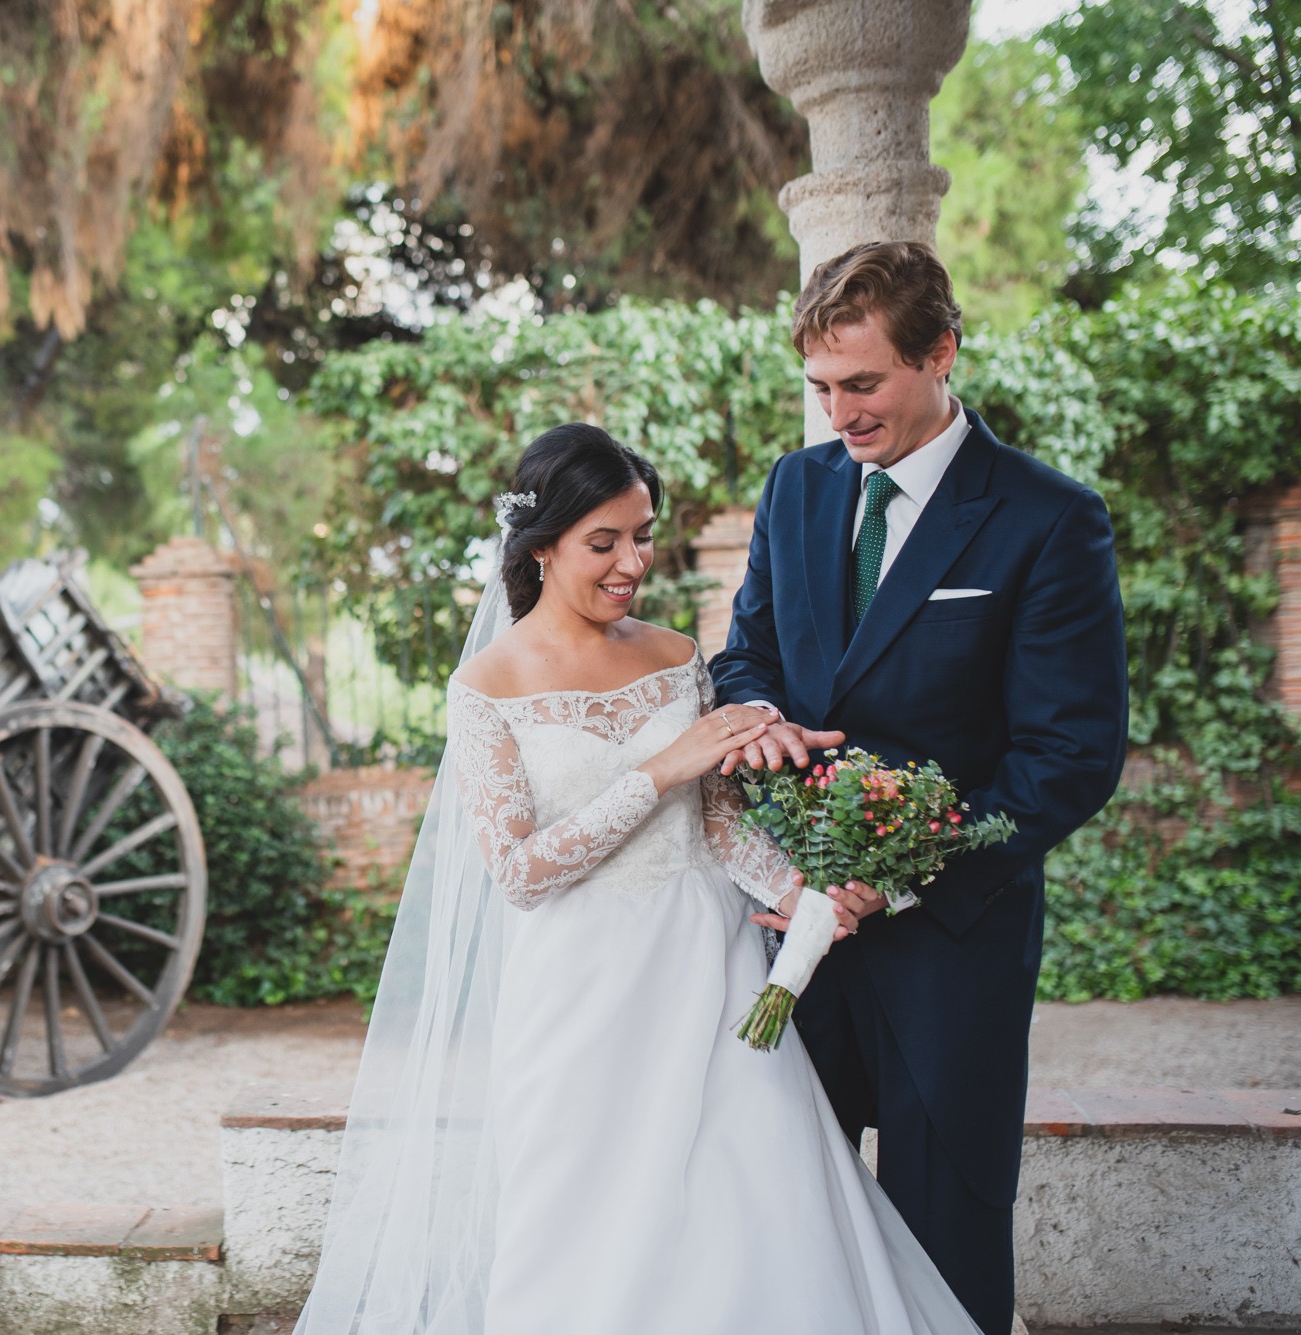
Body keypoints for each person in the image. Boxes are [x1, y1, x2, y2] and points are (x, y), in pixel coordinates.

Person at [294, 423, 984, 1335]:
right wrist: (659, 768)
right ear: (541, 548)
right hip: (580, 993)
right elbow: (523, 871)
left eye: (645, 534)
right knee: (582, 1223)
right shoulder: (486, 688)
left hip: (712, 967)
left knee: (753, 1202)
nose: (633, 563)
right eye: (604, 542)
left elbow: (719, 824)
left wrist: (797, 894)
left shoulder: (674, 657)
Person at [711, 240, 1128, 1335]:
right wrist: (768, 751)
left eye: (862, 384)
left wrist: (892, 875)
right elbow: (745, 658)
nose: (838, 414)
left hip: (953, 943)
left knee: (943, 1235)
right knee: (783, 1210)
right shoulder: (794, 490)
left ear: (939, 352)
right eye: (819, 388)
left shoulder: (1046, 519)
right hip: (792, 920)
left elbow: (1066, 756)